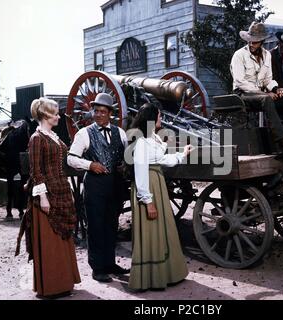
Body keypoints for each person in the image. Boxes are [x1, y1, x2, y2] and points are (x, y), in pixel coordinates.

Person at [16, 97, 81, 299]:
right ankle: (52, 286)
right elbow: (37, 172)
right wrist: (43, 198)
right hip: (46, 195)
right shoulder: (37, 138)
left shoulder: (52, 136)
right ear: (45, 115)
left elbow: (66, 157)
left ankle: (64, 282)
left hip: (61, 189)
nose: (59, 116)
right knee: (50, 242)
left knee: (61, 240)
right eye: (55, 113)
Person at [129, 103, 193, 291]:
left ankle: (166, 273)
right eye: (158, 116)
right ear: (151, 119)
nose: (161, 119)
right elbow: (140, 173)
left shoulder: (153, 138)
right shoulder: (141, 142)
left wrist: (182, 154)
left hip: (157, 183)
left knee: (162, 228)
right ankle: (150, 278)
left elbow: (162, 159)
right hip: (149, 186)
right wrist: (148, 202)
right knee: (151, 231)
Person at [67, 93, 129, 283]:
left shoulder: (121, 133)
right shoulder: (84, 133)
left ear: (110, 113)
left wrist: (124, 165)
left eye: (103, 111)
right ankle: (98, 268)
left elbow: (126, 156)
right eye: (96, 111)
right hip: (95, 185)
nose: (99, 115)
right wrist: (90, 165)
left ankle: (110, 263)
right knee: (95, 226)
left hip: (115, 185)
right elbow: (71, 158)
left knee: (111, 225)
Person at [230, 22, 283, 150]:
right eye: (250, 41)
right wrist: (265, 94)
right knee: (267, 99)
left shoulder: (266, 55)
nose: (251, 44)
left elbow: (268, 80)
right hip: (242, 95)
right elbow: (240, 82)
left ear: (262, 41)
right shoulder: (239, 55)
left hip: (262, 96)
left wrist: (276, 89)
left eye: (255, 42)